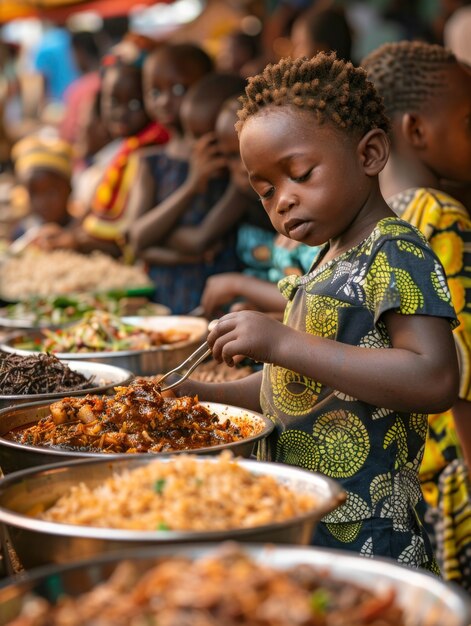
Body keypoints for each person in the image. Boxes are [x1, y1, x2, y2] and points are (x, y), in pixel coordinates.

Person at [168, 53, 460, 570]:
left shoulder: (395, 250)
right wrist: (200, 399)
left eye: (299, 174)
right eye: (265, 191)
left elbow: (433, 376)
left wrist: (280, 340)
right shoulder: (326, 258)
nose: (283, 200)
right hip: (307, 518)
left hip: (371, 534)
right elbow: (295, 392)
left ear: (369, 154)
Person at [362, 40, 471, 590]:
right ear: (417, 131)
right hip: (458, 473)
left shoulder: (382, 225)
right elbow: (465, 371)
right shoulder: (444, 216)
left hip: (408, 475)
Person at [33, 33, 170, 258]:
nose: (121, 113)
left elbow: (128, 237)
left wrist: (74, 240)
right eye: (113, 101)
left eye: (135, 102)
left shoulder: (151, 152)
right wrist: (66, 233)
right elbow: (95, 212)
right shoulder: (126, 149)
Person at [128, 65, 245, 314]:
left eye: (207, 139)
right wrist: (192, 185)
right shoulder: (152, 163)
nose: (196, 148)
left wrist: (157, 237)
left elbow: (197, 240)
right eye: (192, 137)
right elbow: (137, 239)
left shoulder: (241, 182)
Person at [199, 96, 316, 318]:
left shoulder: (308, 217)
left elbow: (320, 302)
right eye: (232, 156)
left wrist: (238, 285)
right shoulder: (246, 203)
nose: (242, 167)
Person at [10, 134, 74, 245]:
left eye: (51, 192)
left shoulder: (80, 231)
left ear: (69, 189)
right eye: (34, 193)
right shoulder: (21, 232)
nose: (43, 202)